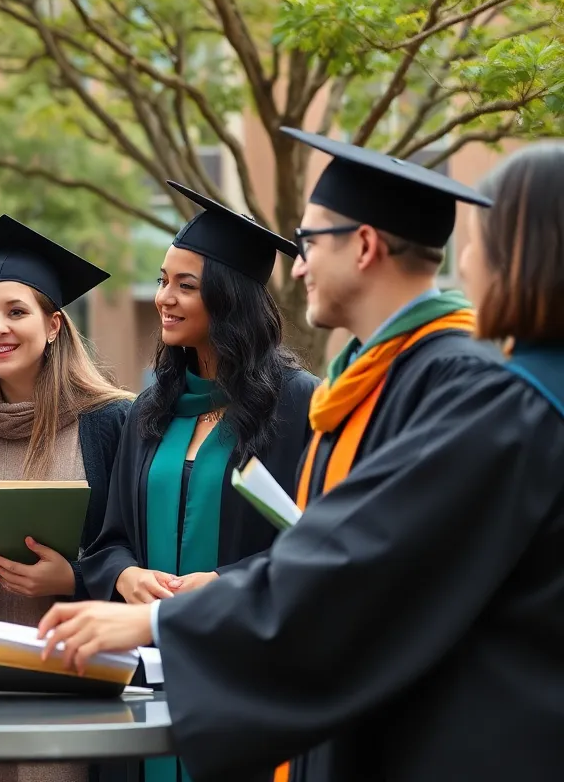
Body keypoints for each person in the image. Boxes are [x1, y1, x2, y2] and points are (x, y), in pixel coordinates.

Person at [37, 134, 564, 782]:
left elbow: (356, 566)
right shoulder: (404, 379)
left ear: (364, 245)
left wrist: (160, 620)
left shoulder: (474, 390)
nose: (297, 265)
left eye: (309, 241)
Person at [80, 183, 317, 782]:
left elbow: (313, 545)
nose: (165, 298)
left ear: (229, 298)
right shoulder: (151, 408)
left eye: (186, 286)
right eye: (163, 280)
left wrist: (224, 583)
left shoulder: (295, 404)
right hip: (142, 677)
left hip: (242, 673)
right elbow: (107, 544)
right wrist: (127, 577)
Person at [0, 215, 133, 782]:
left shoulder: (112, 422)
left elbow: (139, 551)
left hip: (80, 680)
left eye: (16, 312)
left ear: (53, 325)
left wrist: (72, 579)